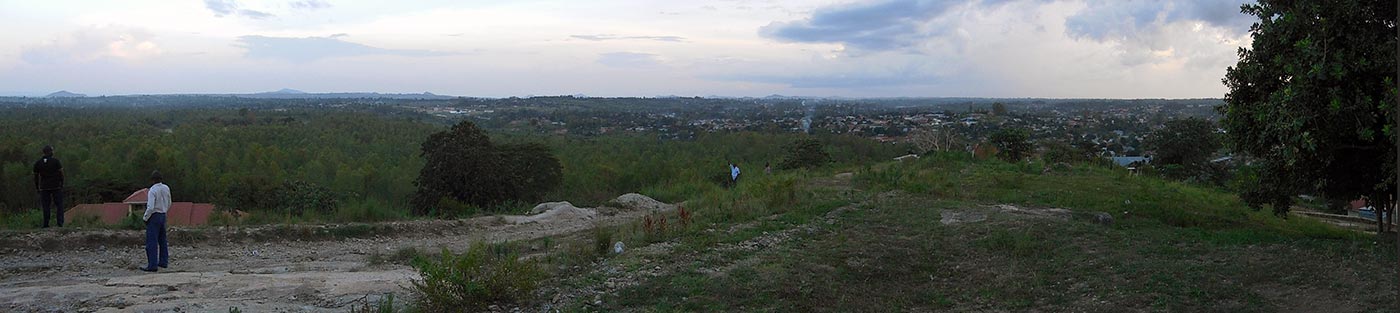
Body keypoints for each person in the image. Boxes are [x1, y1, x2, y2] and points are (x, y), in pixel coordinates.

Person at [140, 170, 171, 272]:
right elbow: (169, 202)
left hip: (154, 216)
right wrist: (165, 210)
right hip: (163, 214)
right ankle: (163, 261)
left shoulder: (152, 190)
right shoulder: (166, 188)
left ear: (152, 180)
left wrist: (145, 217)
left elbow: (150, 207)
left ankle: (152, 265)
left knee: (152, 242)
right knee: (162, 240)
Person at [33, 145, 64, 228]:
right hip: (56, 186)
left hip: (44, 187)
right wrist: (62, 183)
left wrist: (37, 187)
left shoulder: (38, 163)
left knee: (46, 206)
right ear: (50, 152)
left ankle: (46, 224)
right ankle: (60, 223)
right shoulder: (56, 161)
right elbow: (61, 173)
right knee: (59, 205)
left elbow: (36, 176)